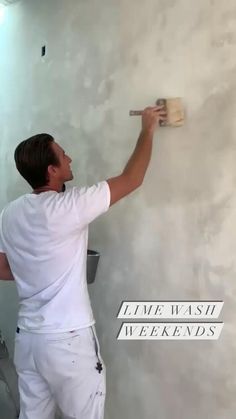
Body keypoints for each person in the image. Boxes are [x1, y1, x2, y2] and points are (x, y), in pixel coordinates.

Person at [0, 106, 166, 419]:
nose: (70, 158)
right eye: (63, 155)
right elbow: (132, 179)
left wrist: (35, 272)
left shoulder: (10, 213)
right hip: (68, 342)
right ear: (51, 170)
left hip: (29, 342)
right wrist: (148, 129)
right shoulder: (69, 206)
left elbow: (2, 267)